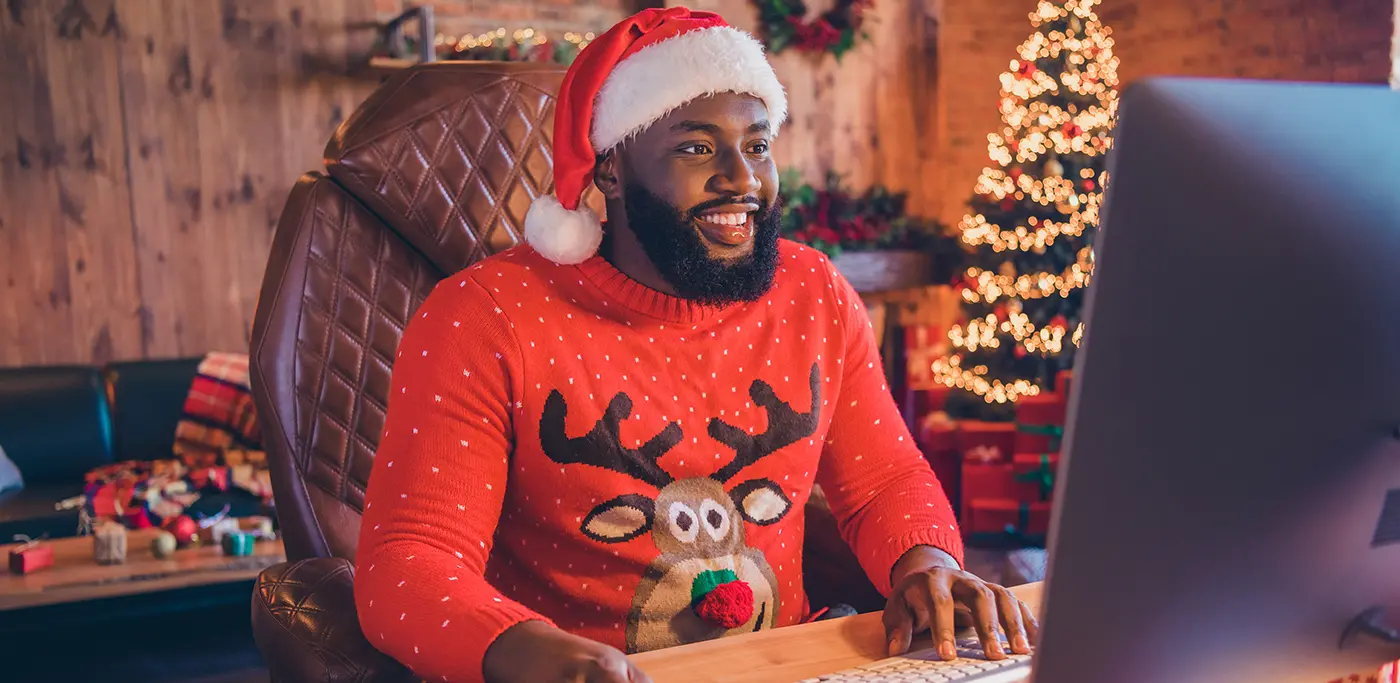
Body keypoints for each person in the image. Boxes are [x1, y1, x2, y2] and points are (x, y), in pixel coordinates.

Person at [355, 7, 1037, 682]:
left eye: (758, 144)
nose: (742, 180)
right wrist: (522, 649)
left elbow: (883, 480)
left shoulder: (815, 293)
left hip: (789, 668)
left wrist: (928, 562)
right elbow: (408, 560)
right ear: (612, 170)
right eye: (696, 147)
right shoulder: (485, 315)